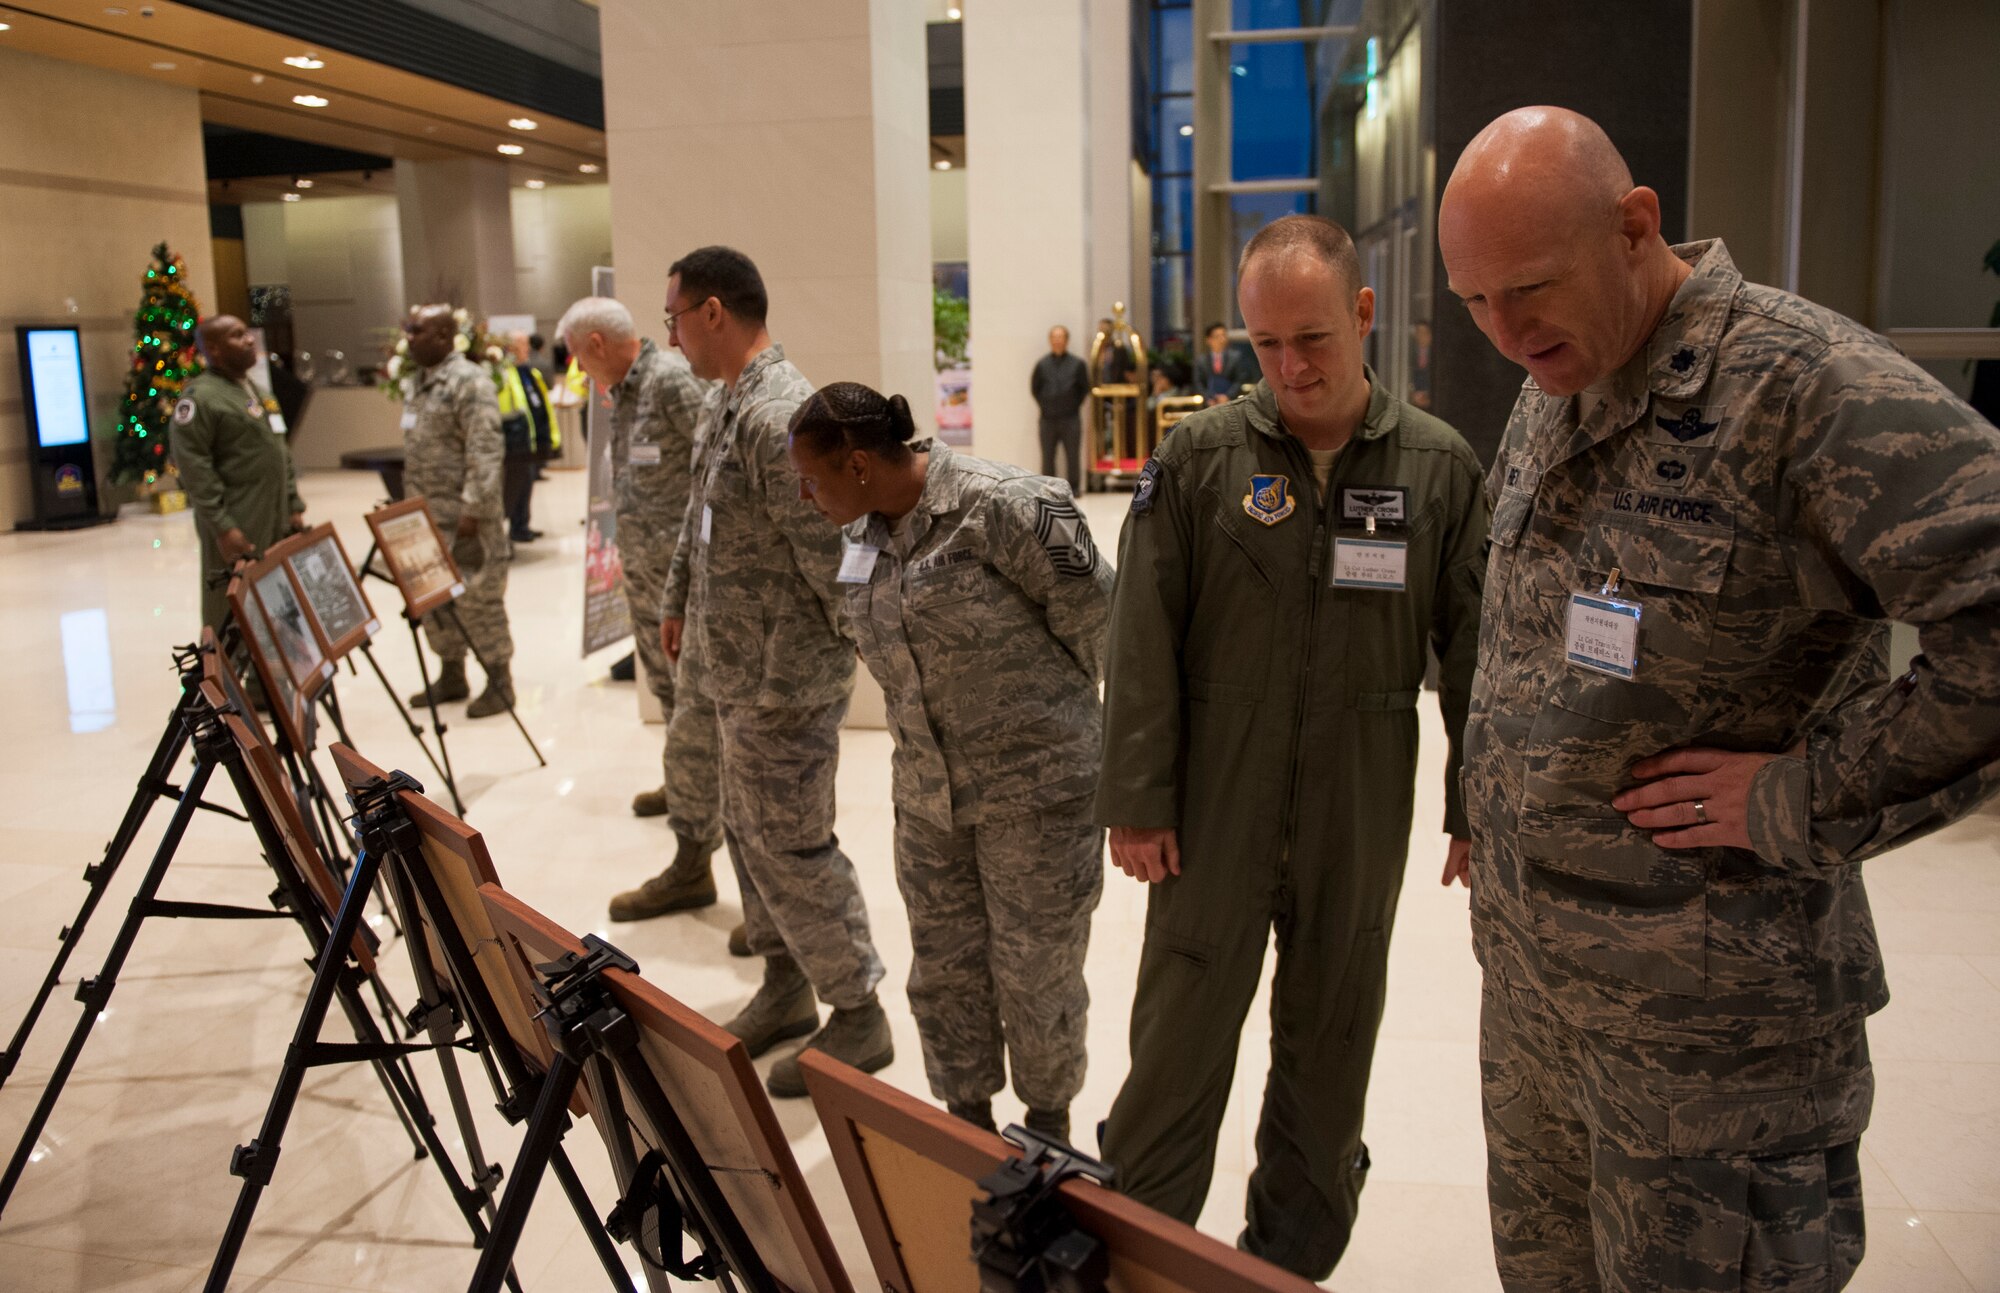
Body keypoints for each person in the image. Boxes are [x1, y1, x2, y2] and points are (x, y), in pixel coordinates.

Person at [1439, 106, 2000, 1293]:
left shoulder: (1799, 388)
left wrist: (1804, 795)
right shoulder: (1558, 374)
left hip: (1712, 1054)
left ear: (1634, 225)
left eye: (1527, 287)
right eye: (1473, 302)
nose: (1503, 331)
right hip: (1538, 1019)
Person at [1096, 214, 1487, 1280]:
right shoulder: (1199, 457)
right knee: (1172, 1058)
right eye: (1262, 346)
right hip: (1211, 808)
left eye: (1309, 338)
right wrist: (1135, 794)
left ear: (1363, 315)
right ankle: (1142, 1259)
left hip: (1354, 814)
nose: (1287, 368)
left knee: (1328, 1058)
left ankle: (1286, 1264)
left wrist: (1474, 802)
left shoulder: (1437, 468)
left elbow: (1479, 652)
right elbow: (1140, 633)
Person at [787, 381, 1113, 1142]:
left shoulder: (1007, 506)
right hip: (929, 804)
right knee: (944, 973)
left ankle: (1047, 1129)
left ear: (861, 463)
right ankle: (965, 1125)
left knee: (1039, 976)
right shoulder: (860, 532)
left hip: (1037, 800)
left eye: (813, 478)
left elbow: (1108, 631)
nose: (804, 496)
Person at [657, 246, 892, 1096]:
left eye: (675, 317)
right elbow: (701, 514)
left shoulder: (778, 416)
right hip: (736, 669)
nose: (673, 336)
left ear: (715, 311)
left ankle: (859, 1010)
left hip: (783, 679)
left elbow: (838, 556)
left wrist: (853, 662)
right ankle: (786, 984)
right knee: (751, 838)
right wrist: (681, 596)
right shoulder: (730, 403)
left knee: (790, 845)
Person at [557, 296, 726, 919]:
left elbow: (713, 474)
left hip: (683, 581)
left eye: (578, 355)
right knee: (667, 692)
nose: (577, 367)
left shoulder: (672, 383)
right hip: (648, 576)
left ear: (597, 344)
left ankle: (697, 826)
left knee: (693, 708)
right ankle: (685, 786)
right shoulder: (624, 390)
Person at [401, 304, 515, 719]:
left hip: (464, 517)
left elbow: (485, 449)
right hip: (424, 518)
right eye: (408, 331)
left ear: (446, 336)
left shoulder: (469, 381)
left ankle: (500, 681)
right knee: (433, 598)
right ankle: (452, 674)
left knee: (478, 600)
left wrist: (474, 508)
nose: (409, 338)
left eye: (418, 331)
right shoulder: (419, 382)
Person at [170, 315, 305, 630]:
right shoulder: (200, 398)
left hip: (274, 514)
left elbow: (280, 450)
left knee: (274, 604)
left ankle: (269, 676)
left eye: (247, 333)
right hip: (237, 517)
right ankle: (224, 677)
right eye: (237, 335)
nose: (249, 340)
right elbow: (194, 467)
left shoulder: (257, 391)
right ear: (213, 349)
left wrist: (293, 502)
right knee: (230, 606)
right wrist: (222, 526)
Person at [500, 331, 555, 544]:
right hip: (514, 443)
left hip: (530, 440)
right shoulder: (505, 374)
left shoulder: (530, 372)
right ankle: (516, 527)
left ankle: (522, 525)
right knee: (515, 487)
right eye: (522, 345)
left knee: (527, 483)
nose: (526, 349)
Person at [1030, 325, 1091, 491]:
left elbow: (1084, 388)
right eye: (1054, 337)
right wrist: (1046, 405)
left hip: (1071, 418)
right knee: (1048, 456)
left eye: (1061, 337)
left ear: (1066, 340)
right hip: (1047, 418)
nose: (1057, 340)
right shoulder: (1042, 365)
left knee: (1073, 455)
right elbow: (1035, 389)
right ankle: (1048, 488)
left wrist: (1072, 405)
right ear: (1050, 340)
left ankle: (1074, 488)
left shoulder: (1077, 364)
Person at [1195, 322, 1255, 403]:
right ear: (1209, 340)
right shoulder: (1201, 361)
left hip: (1231, 401)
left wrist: (1228, 396)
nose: (1222, 339)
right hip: (1209, 403)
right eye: (1217, 336)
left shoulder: (1235, 357)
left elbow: (1240, 379)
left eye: (1224, 335)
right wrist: (1209, 398)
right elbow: (1198, 383)